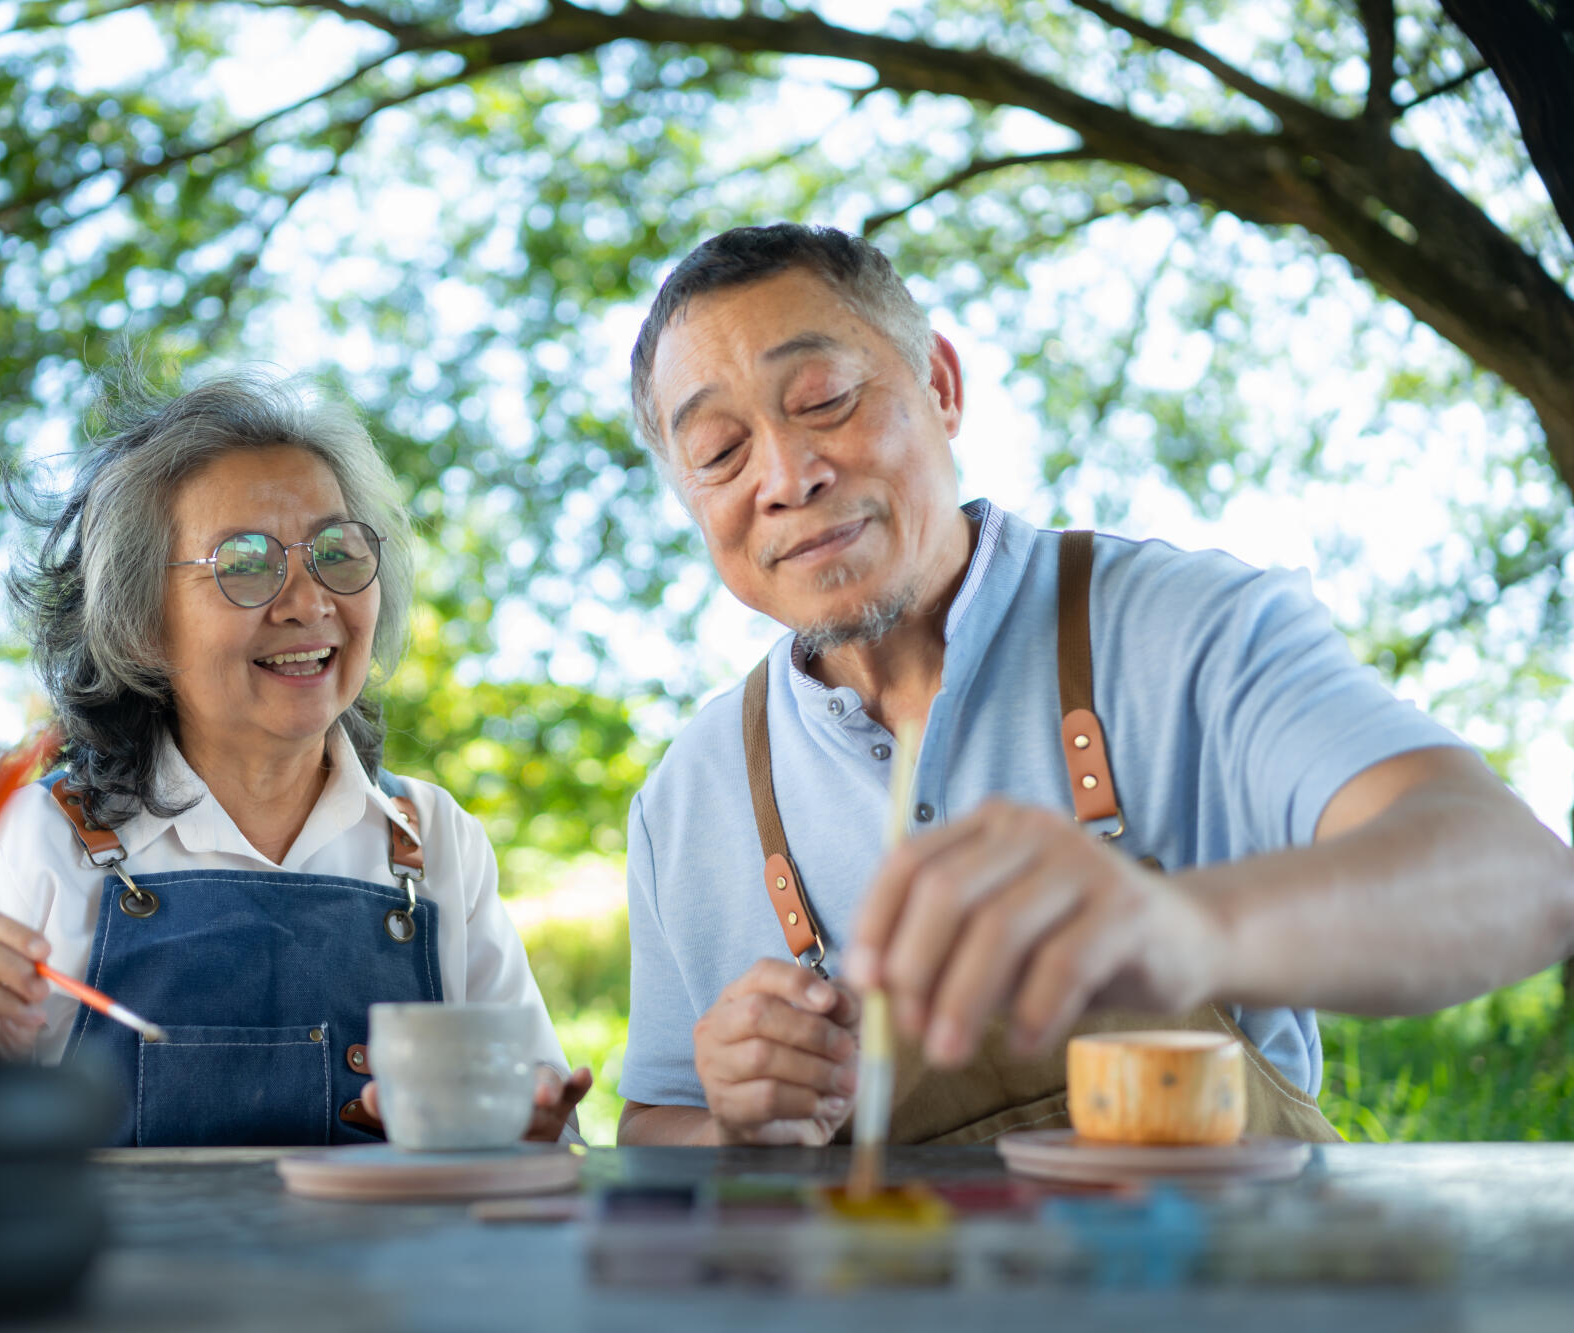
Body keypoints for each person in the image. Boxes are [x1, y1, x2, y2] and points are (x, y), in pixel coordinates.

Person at [613, 223, 1574, 1147]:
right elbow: (652, 1128)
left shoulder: (1193, 626)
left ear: (941, 386)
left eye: (823, 397)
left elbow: (1520, 880)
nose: (787, 474)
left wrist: (1185, 928)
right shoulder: (683, 800)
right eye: (719, 453)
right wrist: (731, 1127)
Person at [0, 363, 589, 1147]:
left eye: (338, 551)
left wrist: (526, 1125)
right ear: (141, 619)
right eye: (246, 564)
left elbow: (543, 1139)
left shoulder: (433, 839)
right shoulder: (38, 836)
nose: (308, 601)